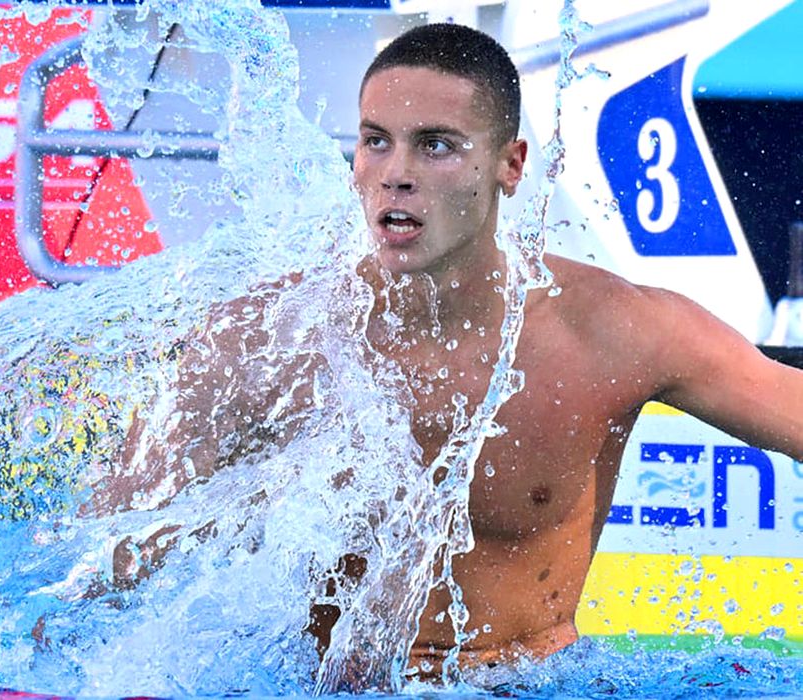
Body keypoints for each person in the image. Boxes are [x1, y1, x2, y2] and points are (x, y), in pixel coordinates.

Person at [87, 22, 803, 684]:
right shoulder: (266, 342)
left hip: (524, 686)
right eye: (376, 141)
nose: (396, 173)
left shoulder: (610, 333)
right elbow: (95, 571)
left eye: (436, 145)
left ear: (510, 165)